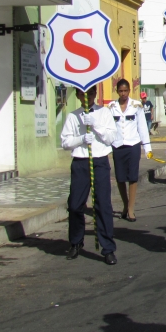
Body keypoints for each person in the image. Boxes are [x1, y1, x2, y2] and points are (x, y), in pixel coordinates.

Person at [61, 86, 119, 265]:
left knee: (103, 204)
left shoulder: (103, 113)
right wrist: (80, 139)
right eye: (83, 94)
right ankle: (76, 242)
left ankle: (107, 248)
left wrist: (95, 124)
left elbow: (111, 138)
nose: (87, 97)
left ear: (95, 94)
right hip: (80, 161)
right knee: (75, 205)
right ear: (78, 96)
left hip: (100, 160)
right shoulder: (72, 116)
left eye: (91, 93)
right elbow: (65, 142)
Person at [109, 79, 152, 222]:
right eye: (120, 91)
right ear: (117, 91)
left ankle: (131, 209)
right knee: (120, 178)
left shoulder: (136, 106)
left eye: (125, 91)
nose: (123, 94)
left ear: (129, 91)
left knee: (133, 177)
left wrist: (147, 147)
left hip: (133, 145)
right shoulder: (111, 107)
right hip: (118, 145)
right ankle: (125, 205)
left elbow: (142, 127)